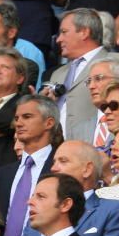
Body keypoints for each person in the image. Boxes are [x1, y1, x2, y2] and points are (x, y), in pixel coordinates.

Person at [50, 139, 119, 236]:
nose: (53, 168)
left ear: (87, 169)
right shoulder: (42, 210)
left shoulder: (113, 210)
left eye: (63, 161)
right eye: (54, 162)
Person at [0, 95, 57, 236]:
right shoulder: (1, 174)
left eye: (27, 117)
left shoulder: (60, 168)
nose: (18, 123)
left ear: (49, 123)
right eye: (17, 118)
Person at [44, 9, 104, 140]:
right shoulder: (57, 74)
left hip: (93, 146)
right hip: (57, 149)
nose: (59, 39)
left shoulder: (115, 62)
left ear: (84, 32)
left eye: (64, 32)